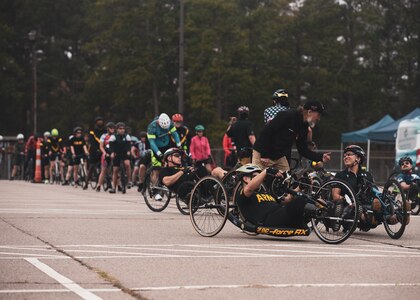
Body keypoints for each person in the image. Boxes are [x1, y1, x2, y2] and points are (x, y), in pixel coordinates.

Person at [333, 145, 407, 229]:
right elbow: (335, 196)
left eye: (349, 154)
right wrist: (347, 200)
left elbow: (374, 189)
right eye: (345, 155)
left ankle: (401, 216)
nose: (346, 157)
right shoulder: (340, 175)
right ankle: (372, 217)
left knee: (382, 209)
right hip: (350, 206)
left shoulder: (367, 175)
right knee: (364, 212)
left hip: (367, 204)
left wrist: (384, 197)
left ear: (358, 158)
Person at [252, 100, 331, 171]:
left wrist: (320, 157)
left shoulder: (304, 127)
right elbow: (266, 132)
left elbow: (302, 149)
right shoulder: (288, 115)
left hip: (278, 156)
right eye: (318, 115)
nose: (319, 118)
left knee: (286, 182)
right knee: (257, 182)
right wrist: (264, 155)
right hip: (262, 152)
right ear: (309, 112)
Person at [235, 164, 315, 228]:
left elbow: (287, 199)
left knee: (308, 199)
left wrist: (300, 187)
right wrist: (266, 171)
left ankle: (325, 215)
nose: (261, 179)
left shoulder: (265, 192)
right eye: (256, 176)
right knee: (300, 202)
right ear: (245, 178)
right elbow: (249, 188)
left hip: (280, 214)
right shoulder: (242, 195)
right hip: (268, 219)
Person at [108, 122, 132, 193]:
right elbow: (111, 146)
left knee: (127, 164)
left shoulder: (127, 136)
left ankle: (129, 181)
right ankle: (114, 188)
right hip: (116, 154)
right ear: (117, 129)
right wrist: (112, 153)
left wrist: (128, 151)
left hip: (124, 153)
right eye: (120, 129)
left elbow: (128, 145)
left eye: (123, 129)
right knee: (115, 170)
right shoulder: (113, 137)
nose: (122, 130)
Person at [88, 116, 107, 185]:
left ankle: (107, 183)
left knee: (105, 166)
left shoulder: (105, 131)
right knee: (92, 166)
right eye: (98, 121)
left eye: (101, 120)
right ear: (96, 123)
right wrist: (96, 149)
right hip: (94, 150)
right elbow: (92, 142)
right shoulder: (92, 131)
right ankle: (87, 181)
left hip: (103, 150)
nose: (100, 122)